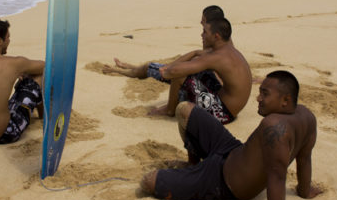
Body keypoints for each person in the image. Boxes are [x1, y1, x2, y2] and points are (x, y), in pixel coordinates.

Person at [140, 71, 322, 200]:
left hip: (223, 181)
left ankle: (194, 174)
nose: (258, 98)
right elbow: (304, 159)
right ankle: (192, 164)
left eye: (264, 94)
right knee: (185, 109)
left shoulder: (274, 126)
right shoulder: (307, 117)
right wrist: (304, 190)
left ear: (285, 100)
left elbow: (277, 178)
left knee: (149, 181)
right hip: (232, 150)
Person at [103, 9, 251, 124]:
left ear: (216, 36)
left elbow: (175, 71)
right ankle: (136, 71)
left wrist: (167, 71)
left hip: (223, 113)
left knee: (179, 74)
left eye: (205, 31)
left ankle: (169, 110)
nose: (202, 34)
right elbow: (195, 57)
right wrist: (170, 67)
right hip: (227, 104)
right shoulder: (227, 50)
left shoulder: (217, 57)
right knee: (183, 72)